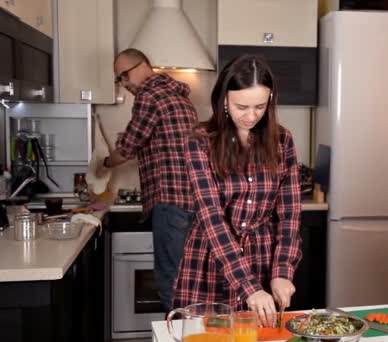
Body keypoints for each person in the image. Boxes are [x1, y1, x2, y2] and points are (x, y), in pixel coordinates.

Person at [172, 54, 302, 327]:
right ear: (224, 101)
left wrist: (281, 271)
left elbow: (289, 215)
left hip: (262, 259)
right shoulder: (200, 141)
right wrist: (248, 285)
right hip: (210, 261)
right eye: (241, 106)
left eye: (260, 106)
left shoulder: (282, 140)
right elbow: (212, 217)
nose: (251, 116)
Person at [97, 48, 198, 313]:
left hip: (170, 202)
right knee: (187, 281)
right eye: (119, 79)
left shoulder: (149, 95)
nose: (124, 84)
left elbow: (128, 147)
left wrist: (102, 163)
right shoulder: (179, 96)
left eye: (123, 76)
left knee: (170, 282)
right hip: (192, 201)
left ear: (141, 66)